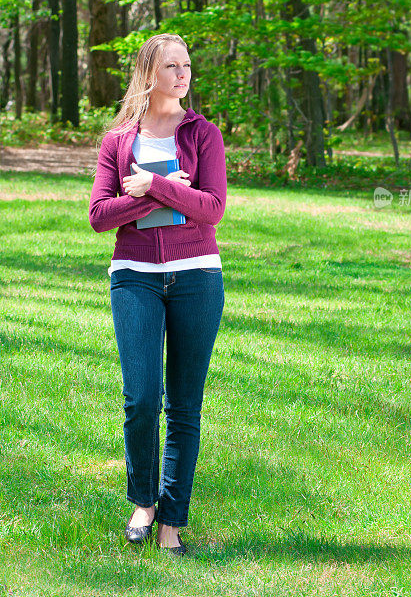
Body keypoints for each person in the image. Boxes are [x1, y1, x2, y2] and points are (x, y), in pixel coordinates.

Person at [88, 33, 227, 556]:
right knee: (142, 397)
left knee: (185, 405)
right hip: (135, 276)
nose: (183, 74)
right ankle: (142, 500)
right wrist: (156, 195)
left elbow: (211, 209)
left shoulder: (204, 134)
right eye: (172, 66)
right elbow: (100, 216)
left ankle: (171, 519)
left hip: (197, 277)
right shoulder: (117, 141)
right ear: (149, 74)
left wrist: (153, 187)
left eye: (187, 65)